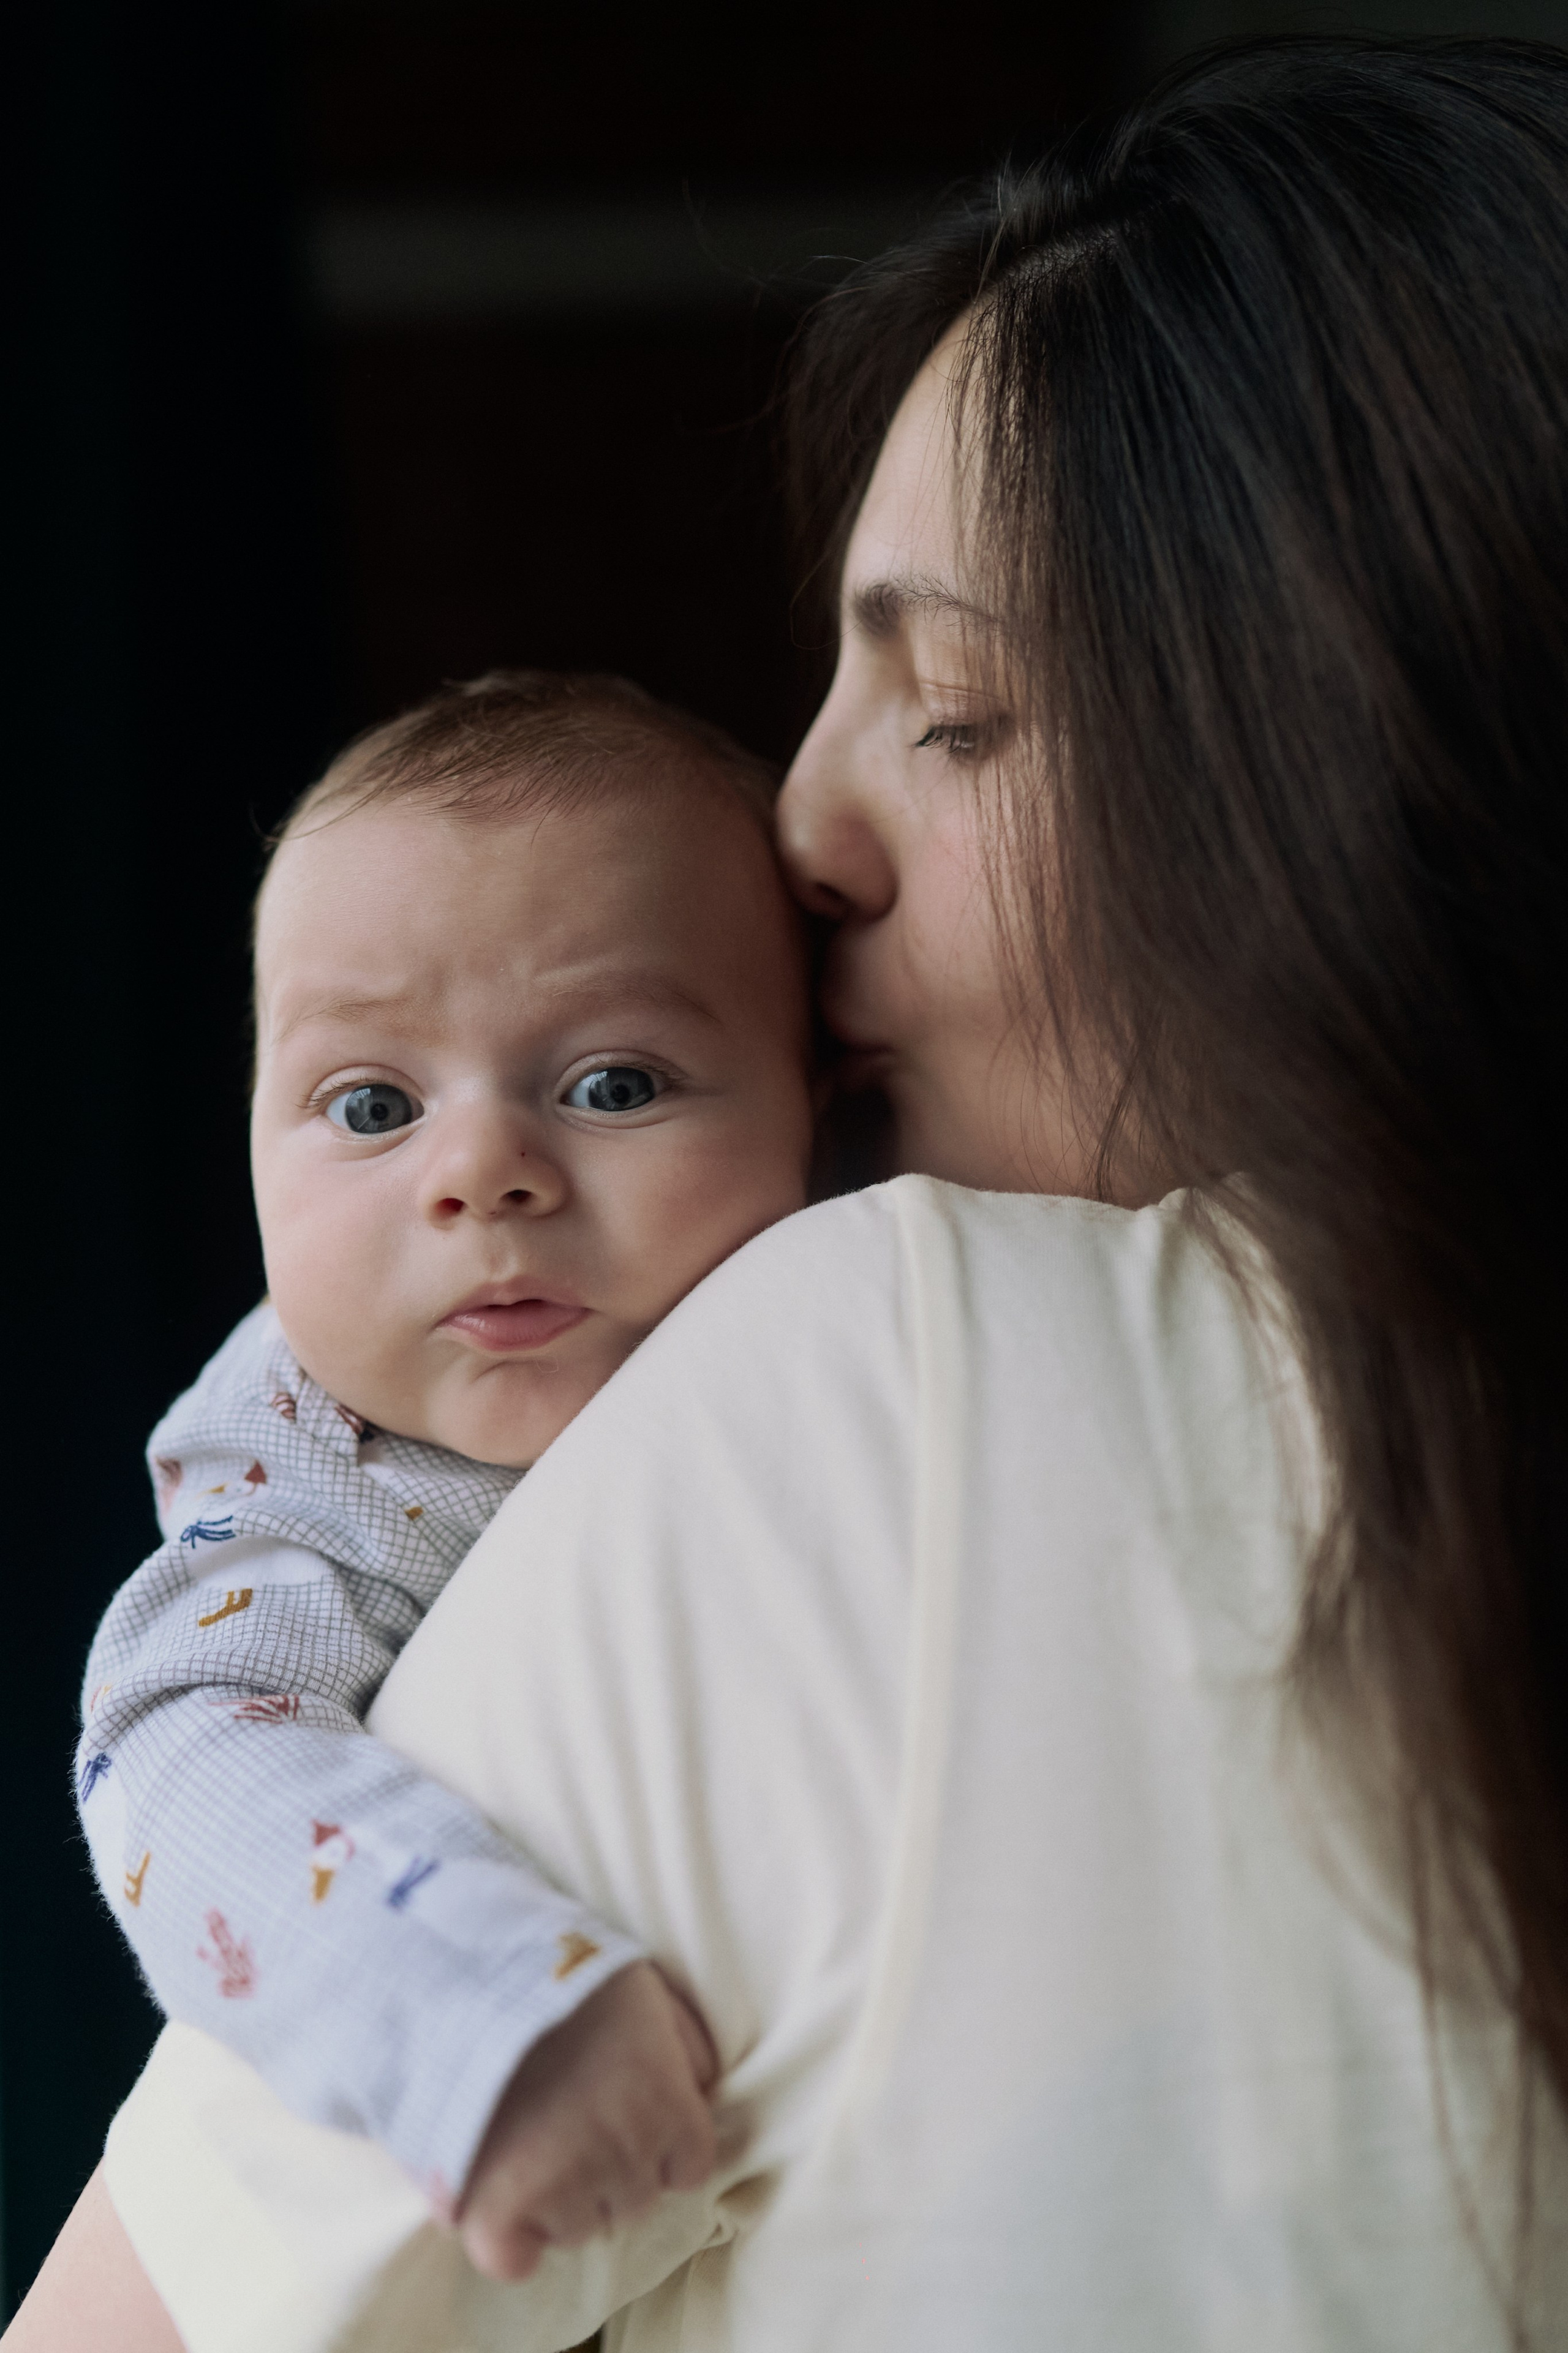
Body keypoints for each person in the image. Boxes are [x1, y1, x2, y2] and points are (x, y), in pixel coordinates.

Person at [12, 32, 1568, 2351]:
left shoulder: (894, 1366)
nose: (804, 833)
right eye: (360, 1104)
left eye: (948, 711)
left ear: (1347, 789)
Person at [71, 669, 813, 2275]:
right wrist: (485, 2020)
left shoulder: (848, 1303)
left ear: (829, 1098)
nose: (482, 1171)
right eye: (372, 1103)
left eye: (613, 1083)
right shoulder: (318, 1473)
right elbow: (183, 1759)